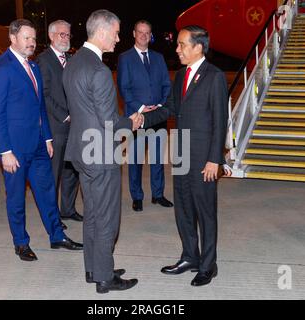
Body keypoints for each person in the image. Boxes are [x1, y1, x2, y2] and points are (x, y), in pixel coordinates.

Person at [0, 19, 83, 261]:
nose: (31, 43)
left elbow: (40, 107)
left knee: (47, 191)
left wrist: (48, 137)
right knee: (16, 196)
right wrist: (4, 150)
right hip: (14, 148)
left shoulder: (33, 66)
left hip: (39, 144)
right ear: (13, 38)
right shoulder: (0, 68)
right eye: (26, 38)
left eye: (33, 38)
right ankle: (21, 242)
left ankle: (57, 235)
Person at [141, 25, 229, 286]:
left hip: (204, 159)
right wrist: (141, 119)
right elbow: (169, 109)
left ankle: (208, 264)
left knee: (205, 212)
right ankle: (190, 256)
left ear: (198, 47)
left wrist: (216, 159)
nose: (177, 49)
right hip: (181, 155)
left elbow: (220, 121)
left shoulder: (214, 77)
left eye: (182, 45)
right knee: (184, 210)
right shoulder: (180, 75)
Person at [63, 9, 142, 293]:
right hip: (100, 153)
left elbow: (81, 111)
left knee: (93, 214)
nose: (119, 38)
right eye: (117, 32)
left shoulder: (72, 63)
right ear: (103, 31)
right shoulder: (99, 70)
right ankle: (106, 279)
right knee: (107, 216)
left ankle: (94, 268)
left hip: (81, 152)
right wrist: (131, 122)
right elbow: (110, 122)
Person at [117, 20, 173, 212]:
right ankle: (137, 196)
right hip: (137, 117)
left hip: (157, 116)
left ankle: (158, 194)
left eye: (147, 33)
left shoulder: (158, 58)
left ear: (150, 35)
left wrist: (158, 106)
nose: (143, 36)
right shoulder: (125, 58)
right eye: (140, 32)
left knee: (158, 157)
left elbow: (166, 84)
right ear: (133, 33)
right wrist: (141, 108)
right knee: (136, 158)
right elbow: (124, 89)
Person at [36, 20, 82, 227]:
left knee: (72, 170)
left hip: (75, 125)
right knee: (53, 174)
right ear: (51, 36)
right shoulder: (43, 61)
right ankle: (52, 216)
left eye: (68, 35)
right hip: (56, 126)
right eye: (62, 35)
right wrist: (65, 114)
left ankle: (68, 209)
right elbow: (44, 95)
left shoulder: (71, 59)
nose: (66, 38)